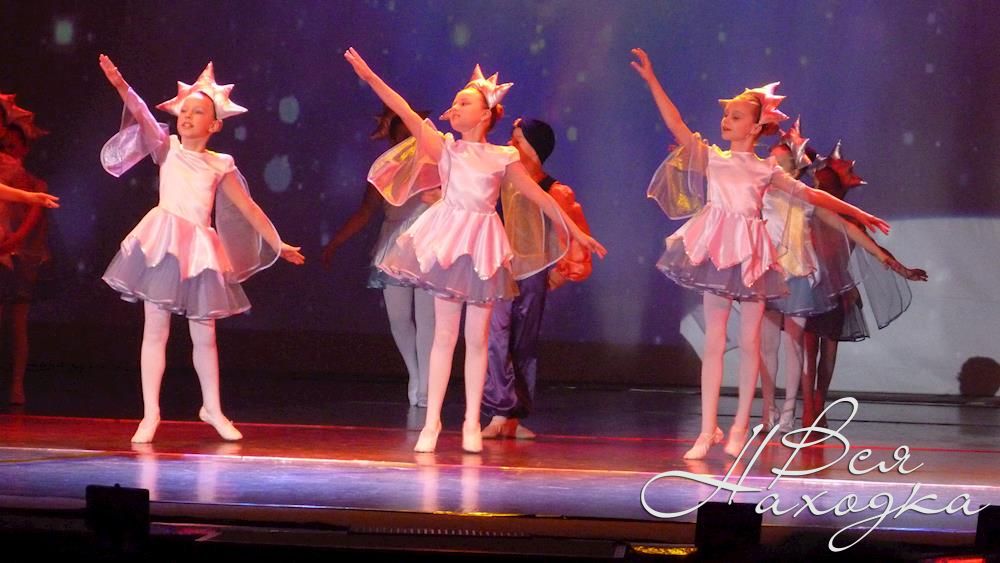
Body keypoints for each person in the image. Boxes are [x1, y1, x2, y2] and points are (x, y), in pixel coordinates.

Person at [344, 48, 606, 453]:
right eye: (455, 102)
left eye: (464, 102)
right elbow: (404, 111)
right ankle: (432, 422)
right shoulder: (446, 148)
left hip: (483, 245)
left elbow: (540, 196)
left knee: (479, 339)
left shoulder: (502, 156)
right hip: (450, 241)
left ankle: (470, 421)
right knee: (444, 336)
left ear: (485, 115)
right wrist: (370, 76)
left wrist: (575, 232)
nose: (455, 107)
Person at [630, 47, 887, 459]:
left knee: (750, 342)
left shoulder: (766, 169)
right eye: (726, 115)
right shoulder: (713, 159)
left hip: (751, 255)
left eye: (735, 117)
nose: (725, 121)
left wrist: (859, 212)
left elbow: (812, 195)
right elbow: (676, 123)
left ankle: (738, 427)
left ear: (755, 128)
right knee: (715, 341)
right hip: (717, 249)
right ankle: (707, 429)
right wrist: (652, 81)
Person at [98, 55, 305, 443]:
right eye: (185, 111)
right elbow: (142, 114)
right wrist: (121, 85)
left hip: (199, 251)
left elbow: (249, 208)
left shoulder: (220, 164)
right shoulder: (168, 148)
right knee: (155, 330)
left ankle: (212, 408)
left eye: (198, 112)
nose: (188, 117)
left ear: (214, 124)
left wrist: (277, 243)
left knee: (205, 335)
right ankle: (150, 414)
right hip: (163, 244)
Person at [759, 123, 927, 432]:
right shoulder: (762, 192)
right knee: (780, 346)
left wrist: (892, 261)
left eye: (777, 162)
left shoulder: (809, 201)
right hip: (774, 275)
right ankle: (778, 409)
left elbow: (849, 229)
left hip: (811, 282)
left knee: (813, 349)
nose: (768, 166)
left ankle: (805, 407)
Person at [800, 141, 926, 427]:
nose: (820, 187)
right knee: (810, 351)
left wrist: (904, 271)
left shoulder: (846, 222)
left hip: (836, 291)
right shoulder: (807, 214)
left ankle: (817, 404)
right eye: (819, 184)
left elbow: (875, 249)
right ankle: (810, 407)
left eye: (825, 185)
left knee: (825, 351)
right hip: (809, 288)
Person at [481, 117, 593, 439]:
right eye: (512, 138)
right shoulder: (499, 180)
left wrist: (560, 272)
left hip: (531, 276)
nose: (512, 144)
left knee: (523, 344)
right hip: (498, 269)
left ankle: (515, 416)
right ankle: (499, 411)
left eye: (519, 140)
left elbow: (571, 233)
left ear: (536, 148)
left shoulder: (553, 190)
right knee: (496, 337)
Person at [321, 107, 438, 407]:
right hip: (394, 246)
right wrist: (336, 242)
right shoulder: (385, 170)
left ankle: (426, 384)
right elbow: (365, 212)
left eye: (413, 134)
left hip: (428, 243)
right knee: (399, 318)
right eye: (401, 136)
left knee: (428, 320)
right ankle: (415, 372)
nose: (408, 141)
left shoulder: (438, 163)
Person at [0, 93, 60, 405]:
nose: (9, 150)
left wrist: (13, 241)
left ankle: (17, 385)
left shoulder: (31, 181)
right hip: (6, 251)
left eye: (14, 145)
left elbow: (27, 225)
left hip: (18, 257)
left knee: (17, 324)